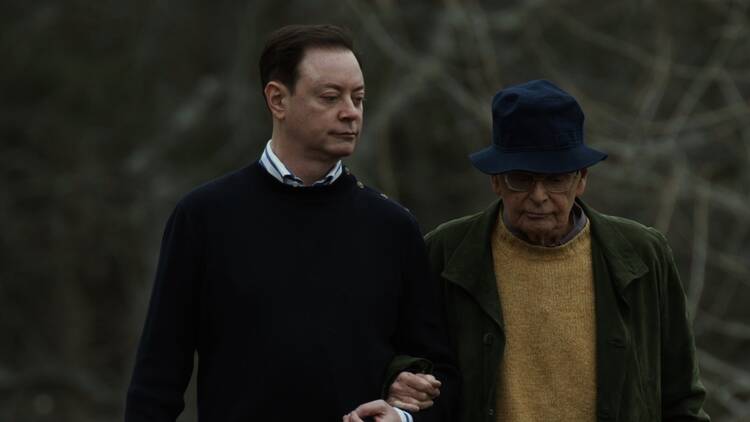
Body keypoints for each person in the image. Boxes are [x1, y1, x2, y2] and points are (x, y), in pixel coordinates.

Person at [125, 24, 458, 422]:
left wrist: (403, 418)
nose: (351, 112)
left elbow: (440, 378)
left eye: (359, 98)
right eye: (331, 97)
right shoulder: (204, 218)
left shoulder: (393, 227)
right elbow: (157, 378)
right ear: (277, 99)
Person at [386, 79, 710, 421]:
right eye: (521, 179)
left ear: (581, 179)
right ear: (496, 181)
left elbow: (681, 396)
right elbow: (410, 357)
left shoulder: (642, 255)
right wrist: (400, 377)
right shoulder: (448, 253)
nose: (539, 196)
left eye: (555, 179)